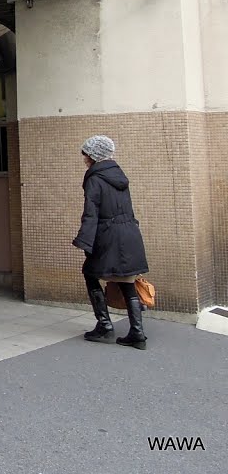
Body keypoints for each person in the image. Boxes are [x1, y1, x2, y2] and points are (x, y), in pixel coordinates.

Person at [73, 135, 149, 350]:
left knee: (90, 273)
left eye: (86, 155)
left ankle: (104, 326)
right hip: (129, 233)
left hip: (108, 235)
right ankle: (137, 333)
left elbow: (91, 214)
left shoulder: (95, 179)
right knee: (127, 279)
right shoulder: (119, 175)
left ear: (94, 156)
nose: (84, 159)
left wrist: (85, 243)